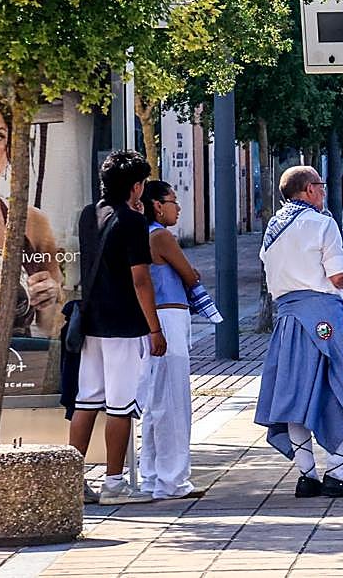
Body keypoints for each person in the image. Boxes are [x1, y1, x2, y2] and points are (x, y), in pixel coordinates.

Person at [254, 166, 343, 498]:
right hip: (323, 318)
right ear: (308, 189)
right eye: (320, 185)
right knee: (336, 387)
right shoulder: (322, 223)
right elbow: (337, 278)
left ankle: (307, 474)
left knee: (294, 392)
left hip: (288, 318)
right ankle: (337, 471)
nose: (324, 192)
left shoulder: (272, 228)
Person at [68, 150, 164, 506]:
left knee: (87, 401)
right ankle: (113, 483)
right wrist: (155, 328)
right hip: (125, 323)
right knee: (121, 406)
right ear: (137, 187)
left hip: (92, 321)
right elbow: (141, 279)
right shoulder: (132, 223)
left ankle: (71, 481)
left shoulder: (88, 215)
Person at [0, 95, 62, 338]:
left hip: (18, 369)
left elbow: (53, 326)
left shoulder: (33, 223)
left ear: (9, 146)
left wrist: (50, 298)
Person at [137, 181, 202, 500]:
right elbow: (190, 275)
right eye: (173, 201)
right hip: (169, 317)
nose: (177, 208)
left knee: (156, 402)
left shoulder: (141, 234)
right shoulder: (160, 236)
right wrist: (192, 273)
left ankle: (152, 475)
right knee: (174, 402)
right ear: (157, 205)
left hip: (157, 317)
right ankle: (173, 480)